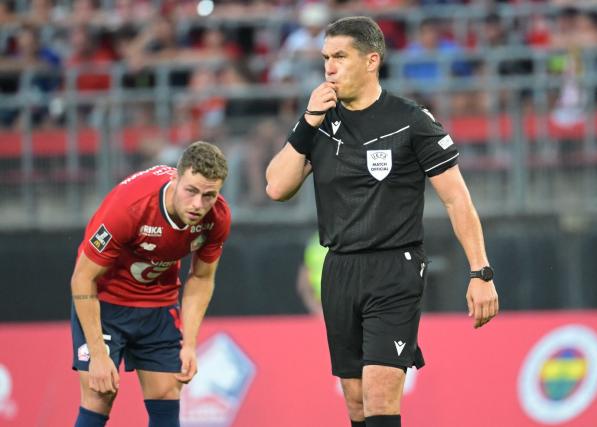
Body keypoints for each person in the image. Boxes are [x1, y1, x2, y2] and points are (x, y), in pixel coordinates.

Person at [265, 16, 498, 427]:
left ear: (371, 60)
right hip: (339, 270)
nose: (329, 67)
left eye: (340, 56)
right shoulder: (320, 122)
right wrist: (307, 122)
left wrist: (480, 271)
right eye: (325, 58)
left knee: (379, 393)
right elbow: (276, 188)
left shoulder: (411, 121)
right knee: (354, 401)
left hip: (395, 267)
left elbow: (457, 198)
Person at [70, 141, 231, 427]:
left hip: (159, 303)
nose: (198, 204)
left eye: (209, 195)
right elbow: (82, 278)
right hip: (106, 303)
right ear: (175, 178)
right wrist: (97, 354)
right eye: (191, 191)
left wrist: (190, 343)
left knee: (168, 392)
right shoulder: (130, 206)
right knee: (99, 396)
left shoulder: (217, 217)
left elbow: (202, 277)